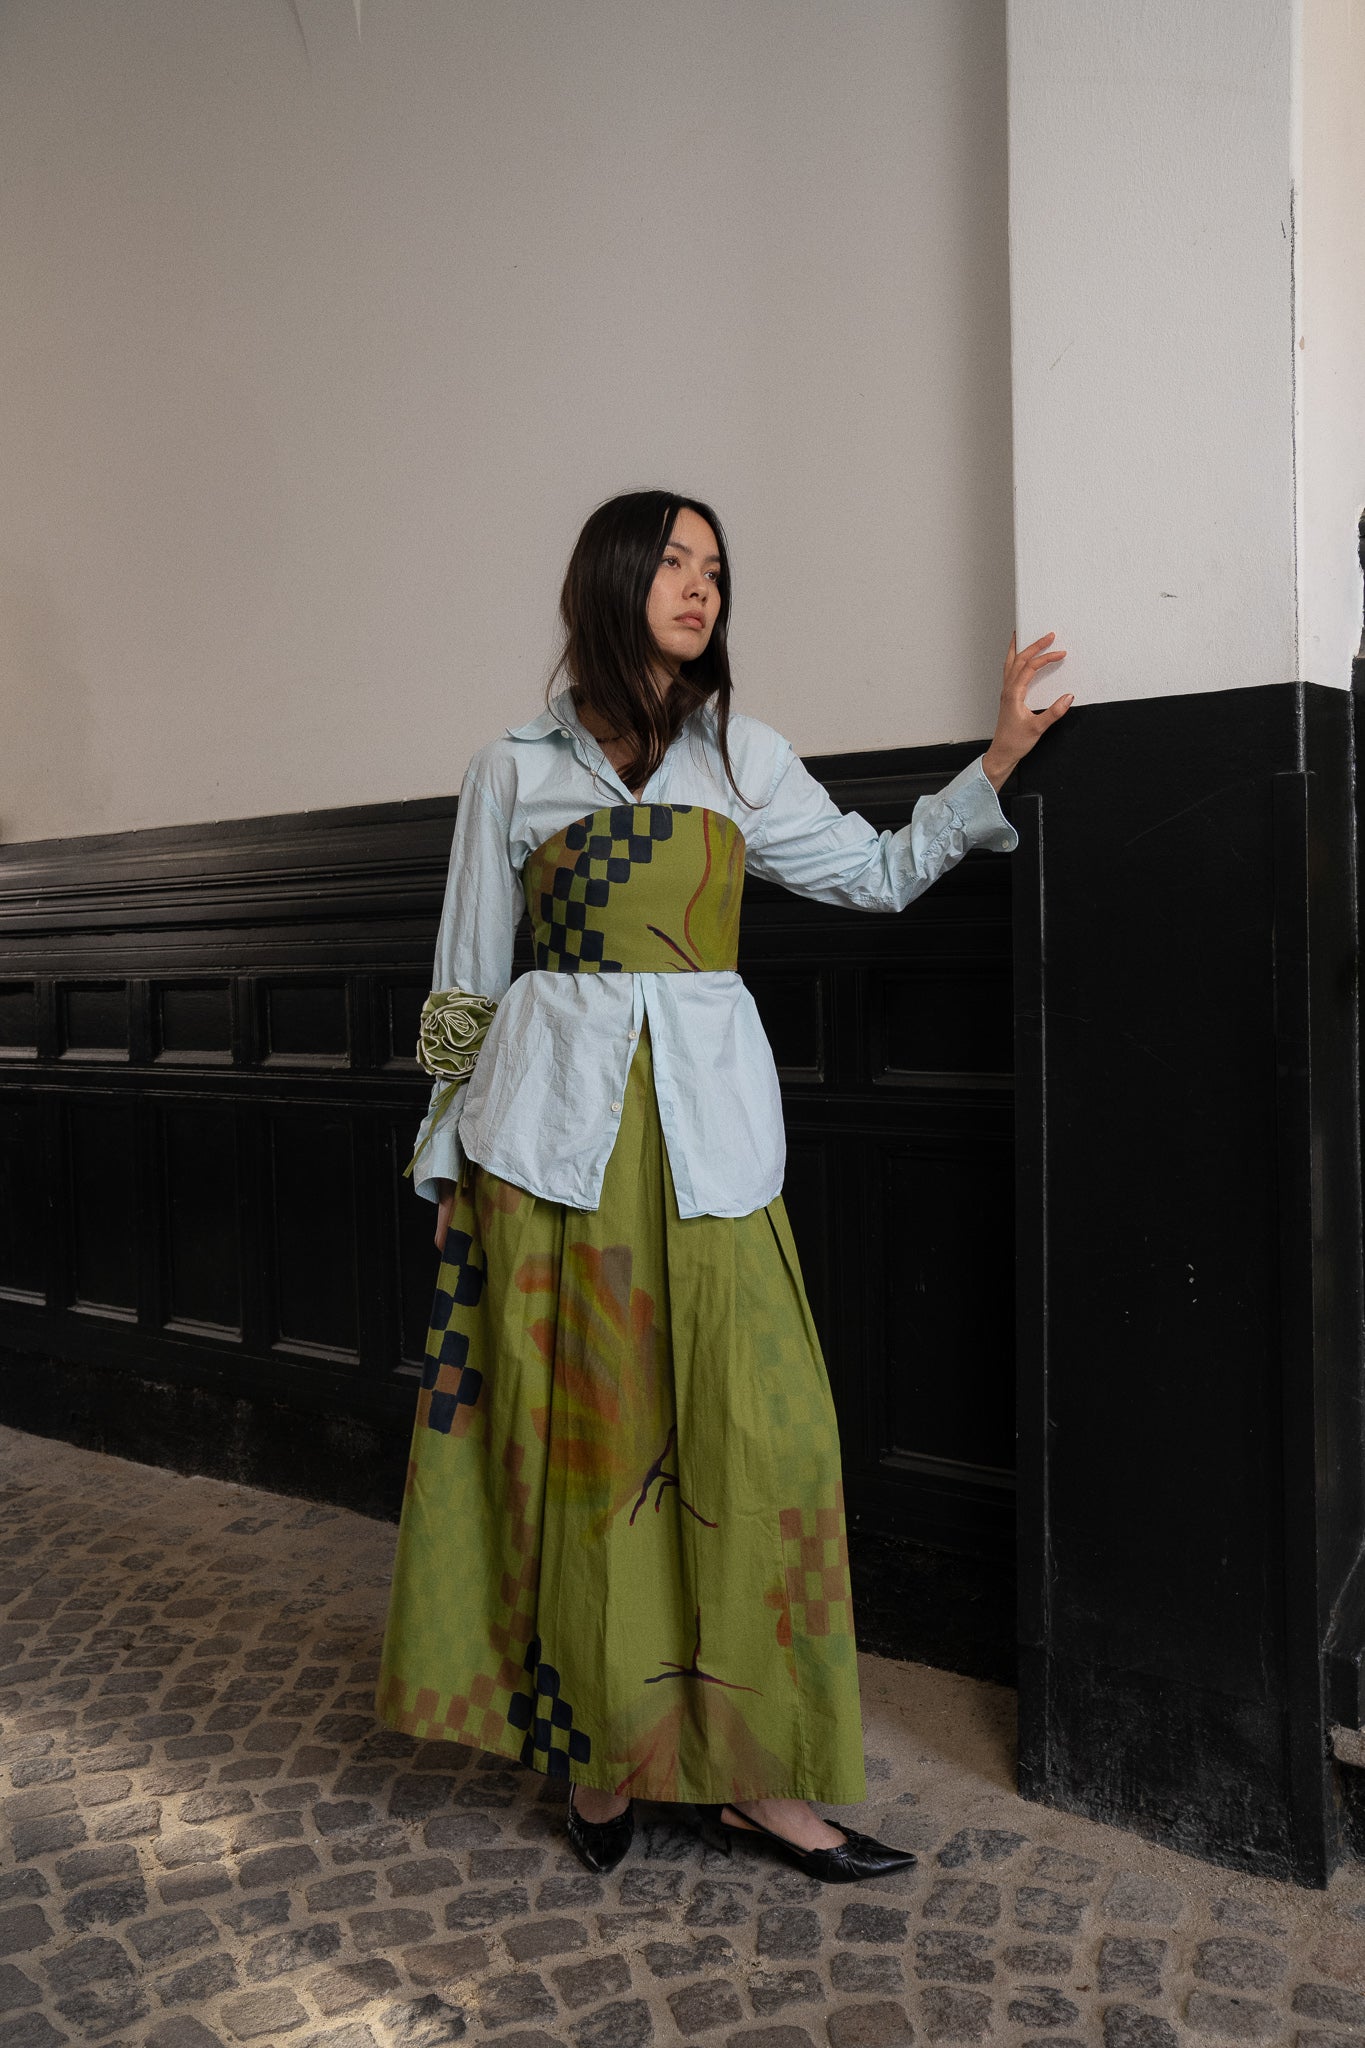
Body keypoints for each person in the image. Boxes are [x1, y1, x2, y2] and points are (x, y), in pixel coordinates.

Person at [376, 490, 1069, 1881]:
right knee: (588, 1457)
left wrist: (993, 762)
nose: (699, 587)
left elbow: (874, 875)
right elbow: (464, 981)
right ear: (610, 582)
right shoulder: (512, 770)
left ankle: (759, 1780)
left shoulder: (742, 759)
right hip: (545, 1157)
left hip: (709, 1149)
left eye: (713, 568)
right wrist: (444, 1162)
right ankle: (599, 1760)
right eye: (672, 564)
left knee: (761, 1444)